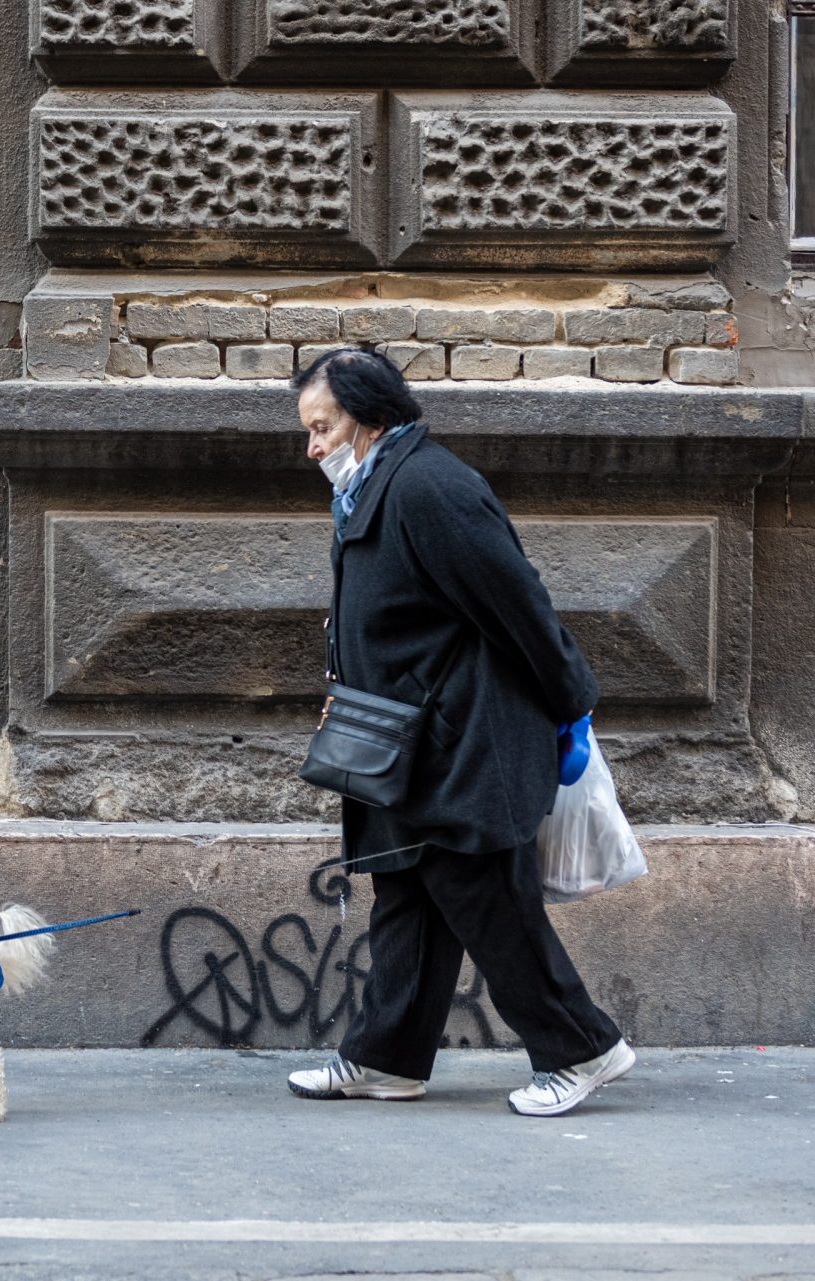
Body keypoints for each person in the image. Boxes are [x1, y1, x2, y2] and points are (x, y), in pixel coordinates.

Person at [283, 347, 634, 1118]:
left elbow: (519, 604)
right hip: (404, 739)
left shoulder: (430, 487)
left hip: (460, 740)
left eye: (321, 427)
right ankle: (386, 1059)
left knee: (485, 900)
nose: (311, 447)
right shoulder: (376, 488)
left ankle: (583, 1048)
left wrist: (570, 701)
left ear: (370, 417)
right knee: (407, 895)